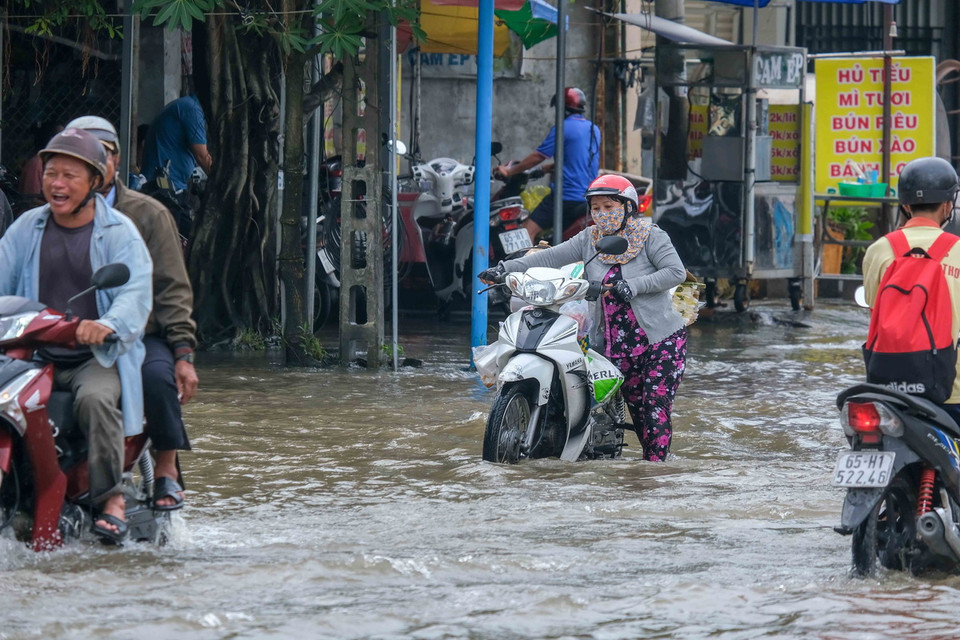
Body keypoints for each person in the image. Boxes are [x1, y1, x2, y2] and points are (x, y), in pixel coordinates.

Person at [0, 128, 152, 543]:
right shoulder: (25, 228)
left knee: (97, 400)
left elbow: (135, 295)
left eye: (69, 175)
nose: (57, 184)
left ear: (95, 182)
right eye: (51, 173)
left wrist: (104, 325)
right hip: (31, 354)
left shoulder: (120, 233)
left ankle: (110, 498)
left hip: (93, 358)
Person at [479, 174, 688, 461]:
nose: (601, 214)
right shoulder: (589, 239)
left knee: (653, 408)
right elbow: (550, 257)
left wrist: (634, 286)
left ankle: (654, 478)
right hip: (615, 345)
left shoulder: (651, 235)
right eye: (596, 208)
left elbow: (675, 272)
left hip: (659, 342)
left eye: (609, 207)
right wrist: (503, 268)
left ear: (628, 207)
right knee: (635, 412)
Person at [67, 115, 199, 510]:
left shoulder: (148, 214)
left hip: (141, 334)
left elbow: (172, 289)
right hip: (68, 335)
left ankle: (165, 469)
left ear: (116, 162)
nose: (91, 163)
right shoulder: (47, 218)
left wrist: (183, 355)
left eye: (101, 155)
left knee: (156, 379)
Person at [862, 156, 960, 417]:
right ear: (948, 205)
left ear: (905, 204)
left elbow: (874, 309)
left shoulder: (878, 250)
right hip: (951, 390)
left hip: (889, 385)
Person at [494, 87, 600, 242]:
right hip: (586, 197)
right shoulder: (594, 129)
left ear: (562, 108)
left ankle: (525, 266)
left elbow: (538, 156)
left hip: (565, 197)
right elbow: (581, 158)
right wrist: (550, 168)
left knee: (526, 232)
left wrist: (509, 172)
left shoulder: (563, 128)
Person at [139, 95, 213, 235]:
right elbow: (202, 157)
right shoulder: (192, 110)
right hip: (164, 190)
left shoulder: (189, 106)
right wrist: (222, 178)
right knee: (187, 239)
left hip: (175, 188)